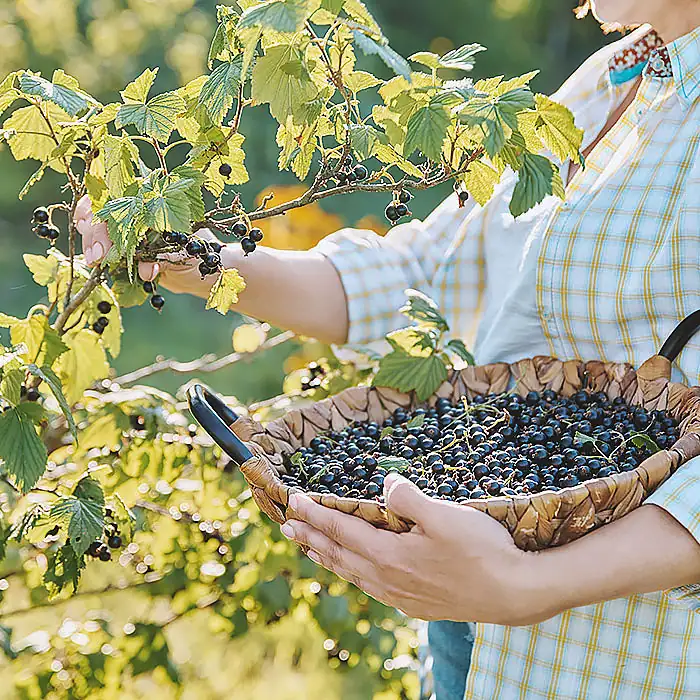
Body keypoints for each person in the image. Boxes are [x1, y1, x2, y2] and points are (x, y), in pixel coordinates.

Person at [76, 1, 700, 697]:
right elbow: (423, 273)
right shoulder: (615, 80)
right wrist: (197, 261)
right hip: (471, 623)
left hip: (623, 649)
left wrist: (531, 584)